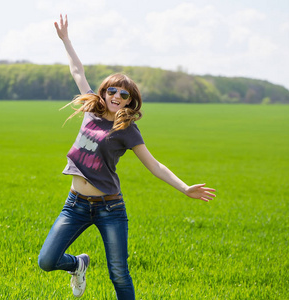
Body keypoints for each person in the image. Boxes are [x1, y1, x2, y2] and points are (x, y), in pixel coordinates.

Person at [38, 14, 216, 299]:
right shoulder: (90, 110)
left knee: (119, 273)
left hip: (110, 208)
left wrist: (184, 188)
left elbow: (154, 165)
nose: (117, 95)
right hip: (75, 205)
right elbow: (77, 71)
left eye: (124, 93)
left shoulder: (127, 129)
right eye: (112, 90)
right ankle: (78, 264)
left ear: (130, 100)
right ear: (104, 92)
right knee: (46, 261)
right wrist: (66, 40)